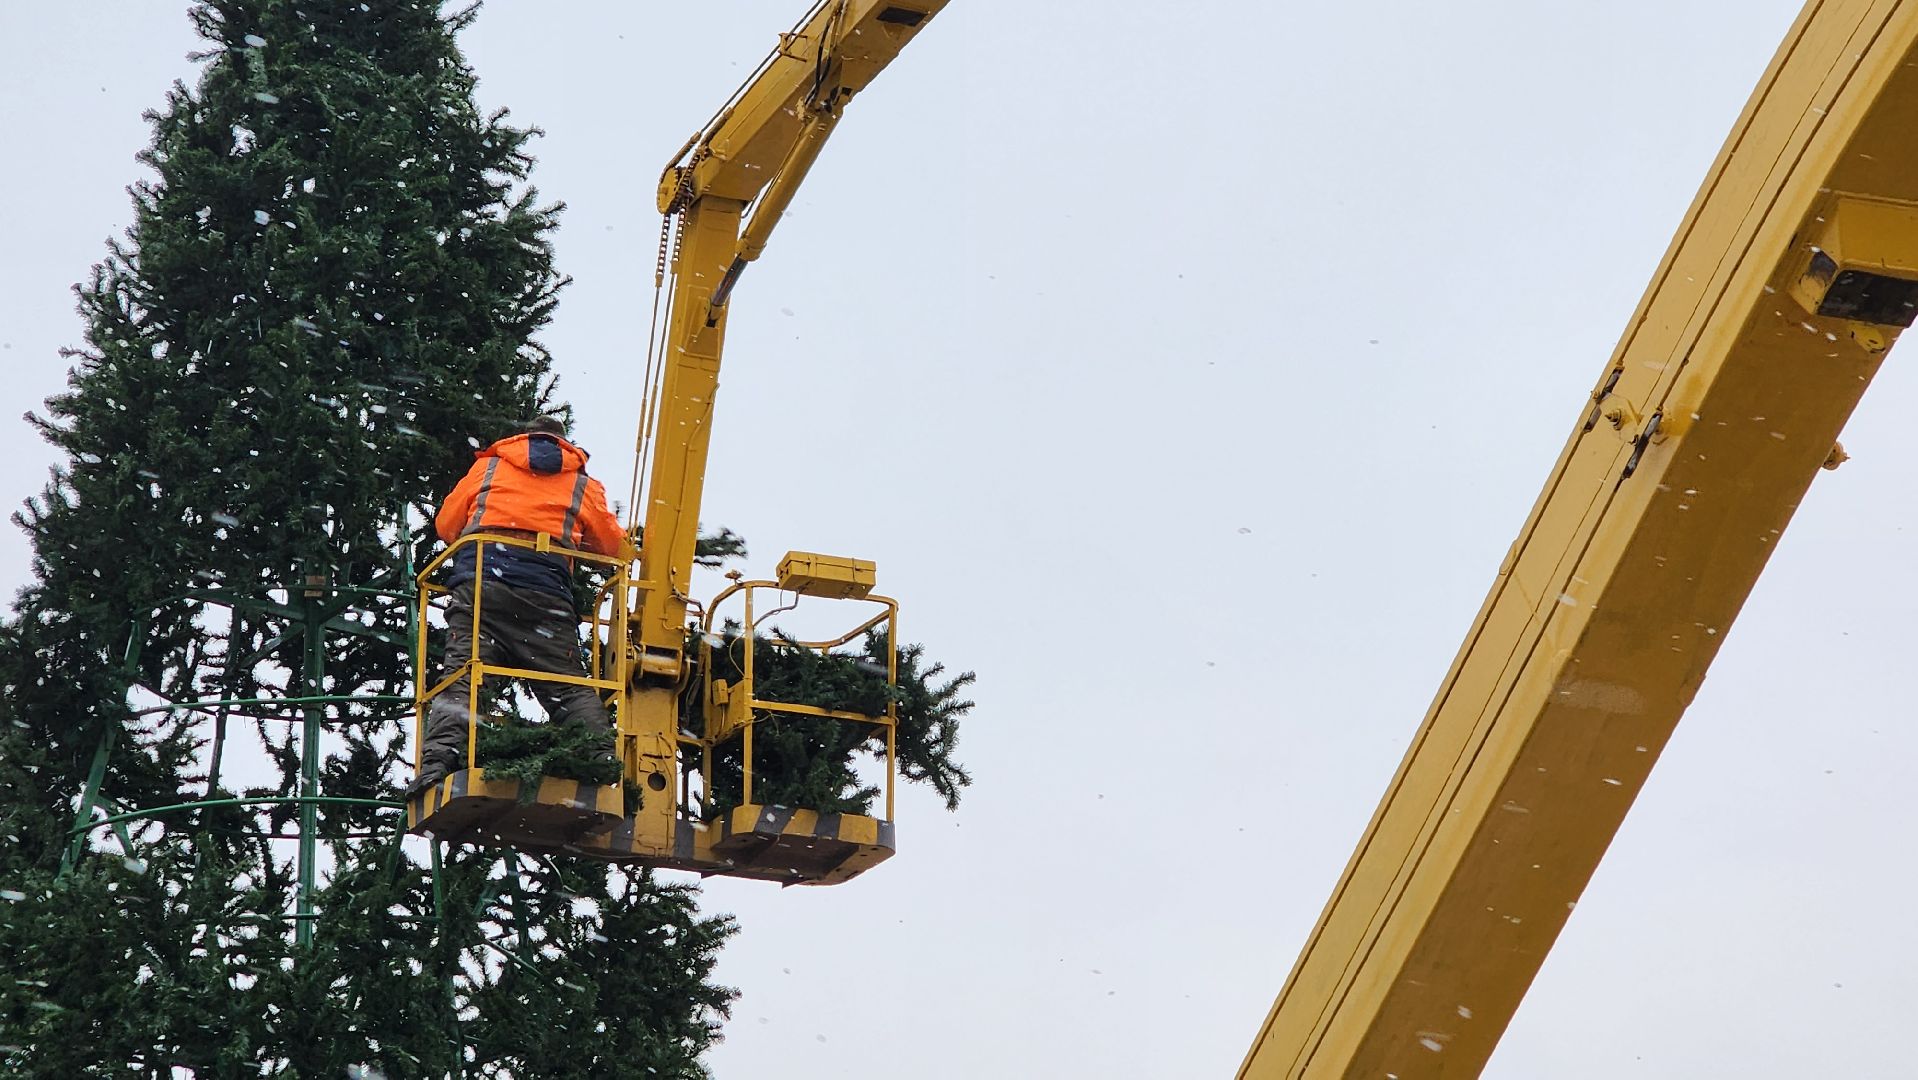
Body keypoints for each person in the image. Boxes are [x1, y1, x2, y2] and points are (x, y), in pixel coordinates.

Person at [412, 416, 626, 794]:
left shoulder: (488, 467)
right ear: (565, 444)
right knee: (567, 687)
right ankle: (603, 763)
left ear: (523, 436)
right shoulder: (582, 484)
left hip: (482, 586)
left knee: (464, 682)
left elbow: (446, 526)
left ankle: (436, 766)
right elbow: (611, 547)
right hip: (544, 595)